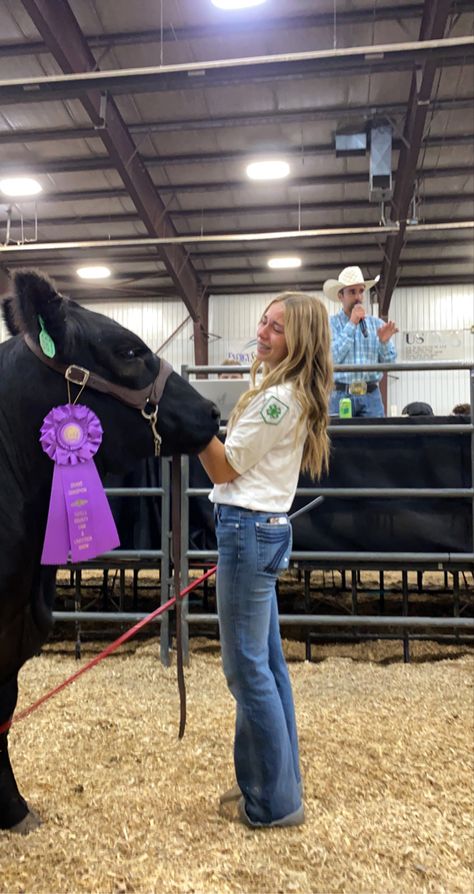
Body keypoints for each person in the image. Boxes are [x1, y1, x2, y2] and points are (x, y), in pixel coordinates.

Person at [198, 292, 332, 829]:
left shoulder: (280, 399)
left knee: (246, 668)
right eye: (265, 320)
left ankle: (273, 804)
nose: (263, 331)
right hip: (261, 531)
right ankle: (271, 785)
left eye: (277, 328)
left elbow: (225, 467)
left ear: (297, 340)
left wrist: (190, 427)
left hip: (248, 531)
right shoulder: (281, 389)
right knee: (267, 664)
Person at [323, 265, 398, 417]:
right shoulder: (329, 325)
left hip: (370, 395)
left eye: (361, 291)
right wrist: (351, 324)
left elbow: (390, 362)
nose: (358, 297)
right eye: (352, 292)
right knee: (339, 440)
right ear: (340, 296)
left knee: (374, 439)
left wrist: (384, 343)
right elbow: (331, 359)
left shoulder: (377, 325)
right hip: (339, 394)